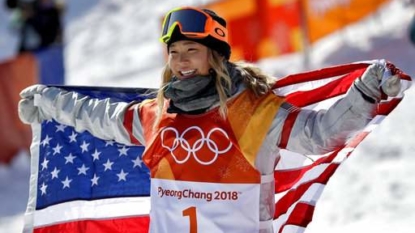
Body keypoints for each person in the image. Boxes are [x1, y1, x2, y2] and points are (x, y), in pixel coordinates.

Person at [18, 6, 403, 233]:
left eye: (192, 50)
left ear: (215, 57)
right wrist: (49, 101)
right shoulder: (157, 113)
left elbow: (320, 135)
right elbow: (99, 117)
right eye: (174, 52)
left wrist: (365, 94)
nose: (181, 61)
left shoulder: (252, 113)